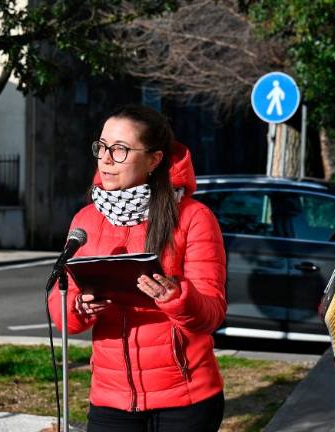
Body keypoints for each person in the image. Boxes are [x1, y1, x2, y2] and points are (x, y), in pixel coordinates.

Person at [47, 105, 227, 432]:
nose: (105, 159)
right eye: (102, 147)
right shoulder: (85, 220)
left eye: (120, 150)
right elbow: (63, 314)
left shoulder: (193, 218)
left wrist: (175, 296)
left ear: (154, 160)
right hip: (111, 399)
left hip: (185, 399)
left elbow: (212, 313)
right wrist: (80, 306)